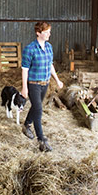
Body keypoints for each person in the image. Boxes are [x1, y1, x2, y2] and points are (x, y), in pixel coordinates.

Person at [21, 21, 63, 152]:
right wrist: (24, 87)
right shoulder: (30, 49)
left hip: (45, 83)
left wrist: (57, 80)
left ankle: (26, 125)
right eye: (46, 32)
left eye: (49, 32)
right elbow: (24, 69)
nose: (49, 34)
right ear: (38, 33)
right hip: (33, 84)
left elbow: (50, 65)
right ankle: (42, 140)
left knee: (36, 107)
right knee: (38, 111)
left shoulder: (49, 47)